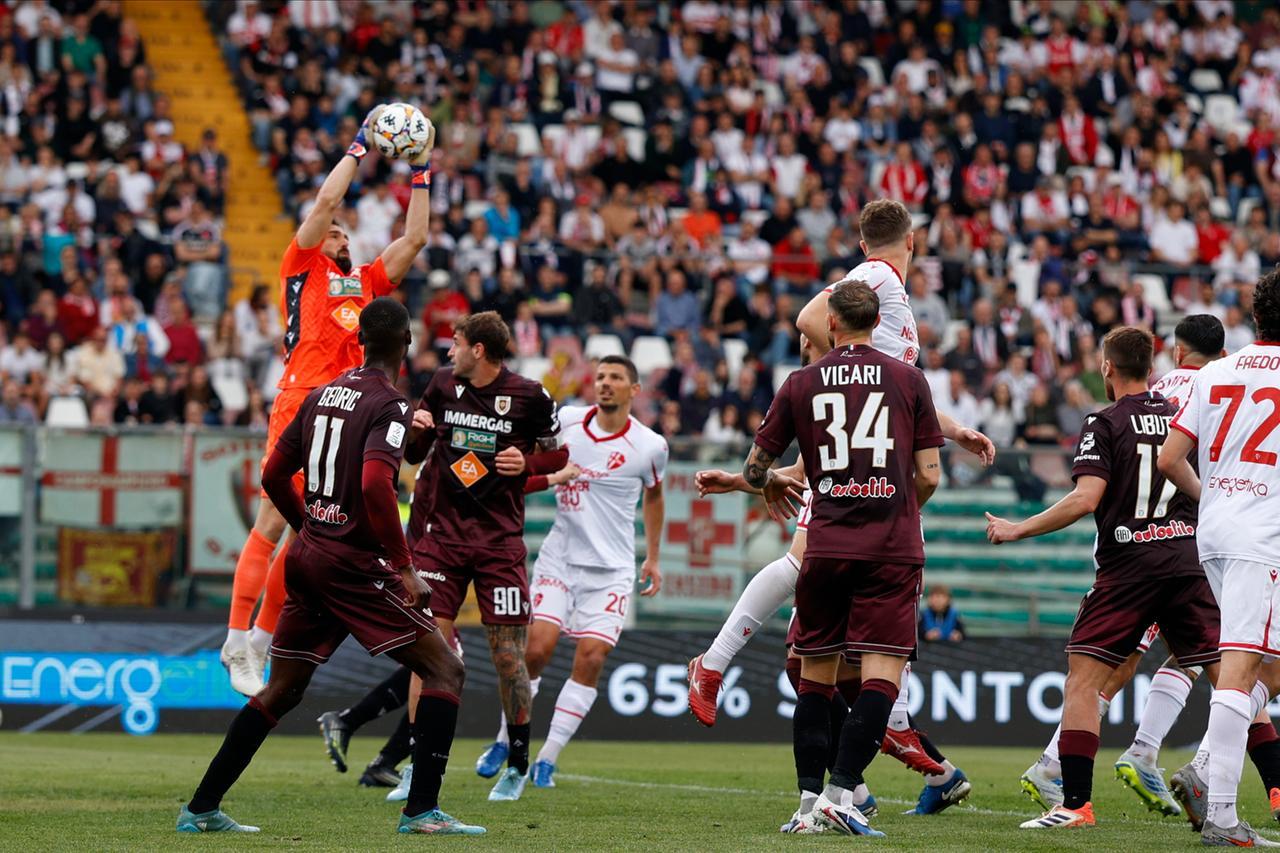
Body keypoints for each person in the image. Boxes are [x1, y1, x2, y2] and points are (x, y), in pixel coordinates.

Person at [688, 200, 990, 809]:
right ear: (913, 240)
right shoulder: (879, 278)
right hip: (868, 485)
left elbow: (904, 394)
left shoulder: (891, 314)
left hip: (870, 463)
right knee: (819, 622)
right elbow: (808, 317)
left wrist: (953, 432)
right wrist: (832, 362)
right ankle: (720, 668)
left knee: (826, 653)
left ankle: (887, 762)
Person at [176, 298, 484, 837]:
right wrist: (406, 568)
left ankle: (201, 807)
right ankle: (421, 813)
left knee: (283, 689)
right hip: (354, 566)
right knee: (445, 669)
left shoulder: (321, 395)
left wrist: (310, 529)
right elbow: (372, 485)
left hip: (310, 559)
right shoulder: (390, 404)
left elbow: (273, 474)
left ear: (360, 340)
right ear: (406, 343)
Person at [219, 105, 435, 697]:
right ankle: (236, 639)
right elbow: (321, 206)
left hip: (341, 409)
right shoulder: (302, 265)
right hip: (299, 397)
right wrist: (359, 148)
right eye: (334, 229)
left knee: (306, 532)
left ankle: (260, 644)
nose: (338, 231)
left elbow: (415, 237)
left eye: (344, 230)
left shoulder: (366, 281)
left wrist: (421, 169)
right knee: (271, 517)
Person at [986, 327, 1224, 831]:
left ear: (1106, 367)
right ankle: (1237, 801)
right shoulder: (1183, 415)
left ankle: (1074, 801)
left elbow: (1085, 499)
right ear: (1155, 365)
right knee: (1234, 684)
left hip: (1129, 568)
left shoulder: (1105, 420)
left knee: (1086, 680)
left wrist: (1017, 529)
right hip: (1185, 562)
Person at [746, 281, 944, 837]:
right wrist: (900, 507)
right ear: (877, 323)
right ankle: (841, 794)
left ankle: (808, 808)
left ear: (830, 324)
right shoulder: (909, 379)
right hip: (890, 546)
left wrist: (765, 483)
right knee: (881, 675)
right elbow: (929, 474)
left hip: (826, 544)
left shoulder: (801, 381)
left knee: (815, 678)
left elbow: (759, 465)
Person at [475, 355, 668, 788]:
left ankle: (547, 756)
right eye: (600, 377)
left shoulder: (650, 445)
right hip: (560, 559)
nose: (605, 384)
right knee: (537, 651)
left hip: (611, 570)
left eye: (616, 378)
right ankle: (506, 740)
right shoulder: (567, 422)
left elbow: (654, 497)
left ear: (634, 390)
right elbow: (535, 455)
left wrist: (653, 556)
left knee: (592, 656)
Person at [404, 310, 566, 801]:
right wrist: (417, 428)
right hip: (441, 539)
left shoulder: (530, 396)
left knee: (508, 659)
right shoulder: (440, 385)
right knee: (428, 649)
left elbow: (557, 455)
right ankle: (417, 763)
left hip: (498, 544)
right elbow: (413, 455)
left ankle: (517, 762)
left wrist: (528, 462)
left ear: (479, 350)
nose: (447, 352)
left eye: (454, 343)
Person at [1158, 268, 1280, 846]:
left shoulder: (1216, 372)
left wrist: (1218, 499)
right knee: (1240, 667)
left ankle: (1206, 769)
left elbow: (1169, 458)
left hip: (1218, 532)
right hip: (1264, 536)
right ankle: (1223, 815)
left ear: (1256, 316)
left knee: (1266, 667)